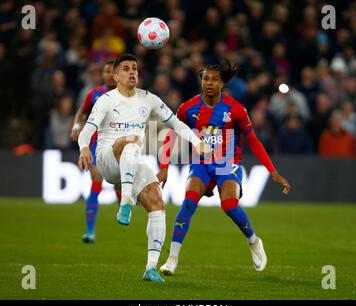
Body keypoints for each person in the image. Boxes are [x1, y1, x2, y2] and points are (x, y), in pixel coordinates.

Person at [77, 53, 211, 282]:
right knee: (129, 142)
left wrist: (197, 141)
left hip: (132, 161)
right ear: (116, 75)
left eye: (135, 68)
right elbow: (87, 130)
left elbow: (176, 123)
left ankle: (151, 268)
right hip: (108, 159)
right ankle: (126, 201)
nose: (132, 72)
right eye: (126, 68)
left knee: (157, 203)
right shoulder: (106, 100)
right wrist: (83, 148)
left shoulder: (149, 99)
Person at [157, 60, 291, 276]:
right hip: (201, 165)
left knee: (228, 205)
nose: (209, 83)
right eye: (205, 78)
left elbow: (253, 140)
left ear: (222, 84)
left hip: (228, 165)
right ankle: (172, 259)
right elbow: (170, 135)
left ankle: (254, 241)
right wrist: (164, 167)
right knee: (188, 204)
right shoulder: (187, 109)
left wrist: (272, 171)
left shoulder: (236, 109)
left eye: (214, 79)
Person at [71, 61, 121, 243]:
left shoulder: (127, 95)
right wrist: (77, 124)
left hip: (118, 145)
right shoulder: (94, 94)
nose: (108, 74)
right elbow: (81, 112)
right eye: (105, 71)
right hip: (95, 145)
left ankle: (123, 211)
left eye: (111, 71)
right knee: (97, 180)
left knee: (118, 183)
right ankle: (90, 231)